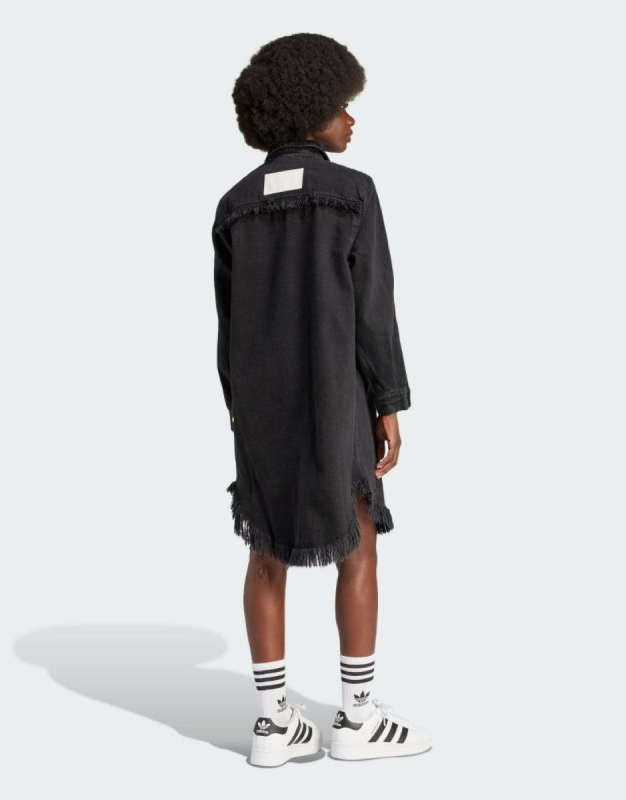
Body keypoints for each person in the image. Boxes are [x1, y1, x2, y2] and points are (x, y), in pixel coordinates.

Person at [212, 33, 432, 767]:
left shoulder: (234, 205)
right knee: (359, 546)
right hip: (338, 395)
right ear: (311, 109)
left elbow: (228, 328)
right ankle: (357, 718)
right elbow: (373, 311)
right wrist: (388, 401)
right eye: (342, 105)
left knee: (264, 550)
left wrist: (240, 410)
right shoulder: (353, 192)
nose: (351, 119)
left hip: (259, 405)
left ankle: (271, 724)